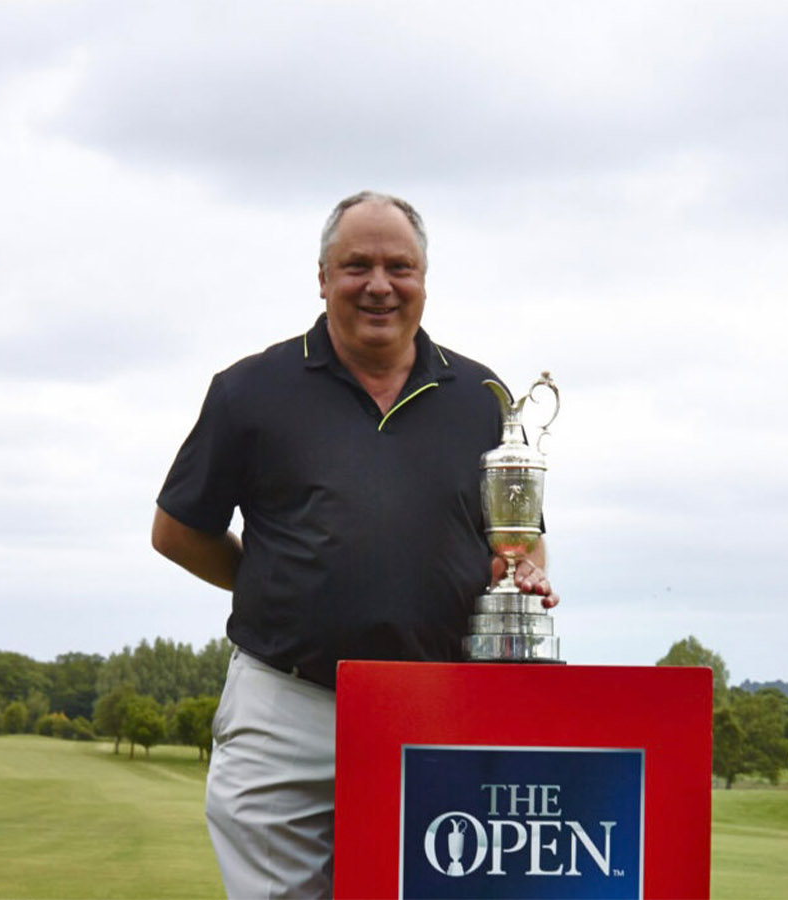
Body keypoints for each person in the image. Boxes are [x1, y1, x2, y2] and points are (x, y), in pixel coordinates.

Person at [151, 190, 559, 899]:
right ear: (322, 277)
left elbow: (517, 543)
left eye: (399, 267)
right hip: (287, 706)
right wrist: (272, 584)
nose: (379, 285)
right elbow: (177, 531)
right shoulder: (250, 390)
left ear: (424, 279)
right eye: (356, 266)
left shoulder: (482, 396)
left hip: (436, 710)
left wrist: (519, 578)